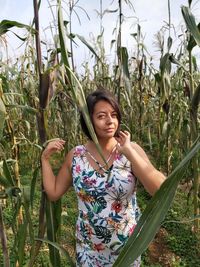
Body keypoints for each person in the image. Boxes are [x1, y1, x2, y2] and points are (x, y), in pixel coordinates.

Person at [41, 88, 166, 267]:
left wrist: (130, 152)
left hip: (127, 248)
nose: (110, 121)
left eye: (114, 115)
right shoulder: (76, 156)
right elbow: (53, 193)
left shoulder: (131, 150)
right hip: (88, 249)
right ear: (88, 120)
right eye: (101, 116)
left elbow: (160, 189)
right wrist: (45, 159)